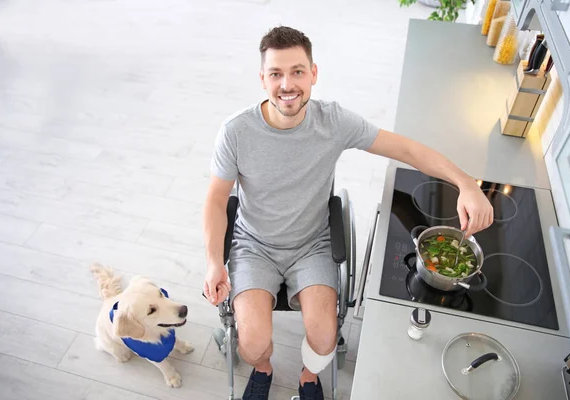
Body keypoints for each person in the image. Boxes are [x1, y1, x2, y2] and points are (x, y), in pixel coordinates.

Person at [202, 26, 493, 400]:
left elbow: (407, 150)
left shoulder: (334, 122)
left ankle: (309, 377)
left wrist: (466, 182)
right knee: (252, 343)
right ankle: (262, 369)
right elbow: (215, 200)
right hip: (253, 244)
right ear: (262, 79)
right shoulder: (236, 132)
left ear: (313, 74)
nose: (287, 84)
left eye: (297, 71)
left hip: (312, 244)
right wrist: (214, 262)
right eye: (275, 73)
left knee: (325, 337)